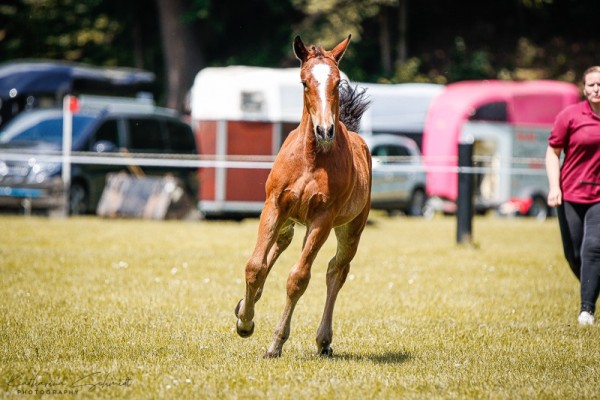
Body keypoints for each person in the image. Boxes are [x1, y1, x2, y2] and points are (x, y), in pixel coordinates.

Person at [546, 66, 600, 326]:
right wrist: (554, 187)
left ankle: (586, 311)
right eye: (591, 85)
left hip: (598, 197)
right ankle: (592, 287)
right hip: (570, 193)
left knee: (593, 248)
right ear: (584, 88)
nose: (596, 89)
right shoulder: (570, 116)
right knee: (574, 254)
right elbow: (552, 153)